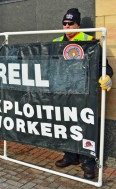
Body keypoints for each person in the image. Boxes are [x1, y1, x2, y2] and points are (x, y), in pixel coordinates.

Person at [53, 8, 113, 180]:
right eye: (64, 23)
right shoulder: (56, 41)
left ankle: (88, 163)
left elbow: (105, 67)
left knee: (86, 128)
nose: (67, 27)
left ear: (78, 24)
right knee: (66, 124)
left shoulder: (91, 41)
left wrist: (107, 76)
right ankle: (70, 155)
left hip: (85, 94)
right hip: (64, 93)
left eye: (70, 23)